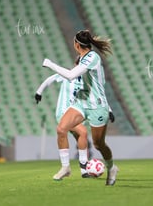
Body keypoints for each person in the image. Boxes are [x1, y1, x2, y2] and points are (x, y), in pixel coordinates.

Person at [42, 30, 118, 185]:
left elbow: (70, 75)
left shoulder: (92, 57)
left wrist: (50, 64)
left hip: (97, 106)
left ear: (77, 44)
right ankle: (66, 168)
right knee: (61, 129)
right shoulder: (84, 58)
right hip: (82, 102)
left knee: (98, 145)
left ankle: (111, 167)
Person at [36, 56, 115, 178]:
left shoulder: (86, 80)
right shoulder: (66, 75)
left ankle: (83, 171)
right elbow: (49, 80)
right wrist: (39, 92)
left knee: (81, 135)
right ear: (76, 64)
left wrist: (109, 109)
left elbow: (98, 94)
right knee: (83, 132)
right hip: (64, 112)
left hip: (76, 112)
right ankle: (71, 168)